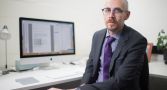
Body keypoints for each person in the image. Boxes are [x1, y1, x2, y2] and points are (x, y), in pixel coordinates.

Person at [48, 0, 149, 90]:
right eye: (107, 10)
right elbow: (90, 68)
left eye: (117, 10)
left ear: (127, 15)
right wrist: (82, 86)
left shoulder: (137, 41)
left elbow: (122, 82)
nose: (111, 15)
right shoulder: (97, 36)